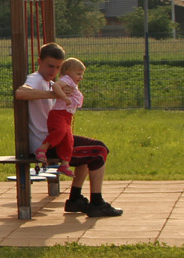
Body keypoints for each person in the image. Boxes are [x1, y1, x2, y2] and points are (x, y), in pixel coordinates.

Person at [14, 43, 121, 218]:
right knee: (98, 151)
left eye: (58, 67)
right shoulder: (36, 79)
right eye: (50, 66)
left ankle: (75, 199)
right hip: (46, 144)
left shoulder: (51, 82)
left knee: (91, 150)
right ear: (39, 61)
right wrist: (54, 95)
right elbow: (20, 93)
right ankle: (96, 203)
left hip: (55, 139)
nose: (54, 71)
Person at [35, 57, 85, 177]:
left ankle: (65, 164)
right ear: (68, 72)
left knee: (69, 140)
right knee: (60, 131)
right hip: (59, 113)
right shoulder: (67, 80)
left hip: (67, 116)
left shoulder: (72, 83)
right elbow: (56, 86)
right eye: (78, 74)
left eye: (82, 74)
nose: (81, 77)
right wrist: (64, 97)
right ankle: (42, 149)